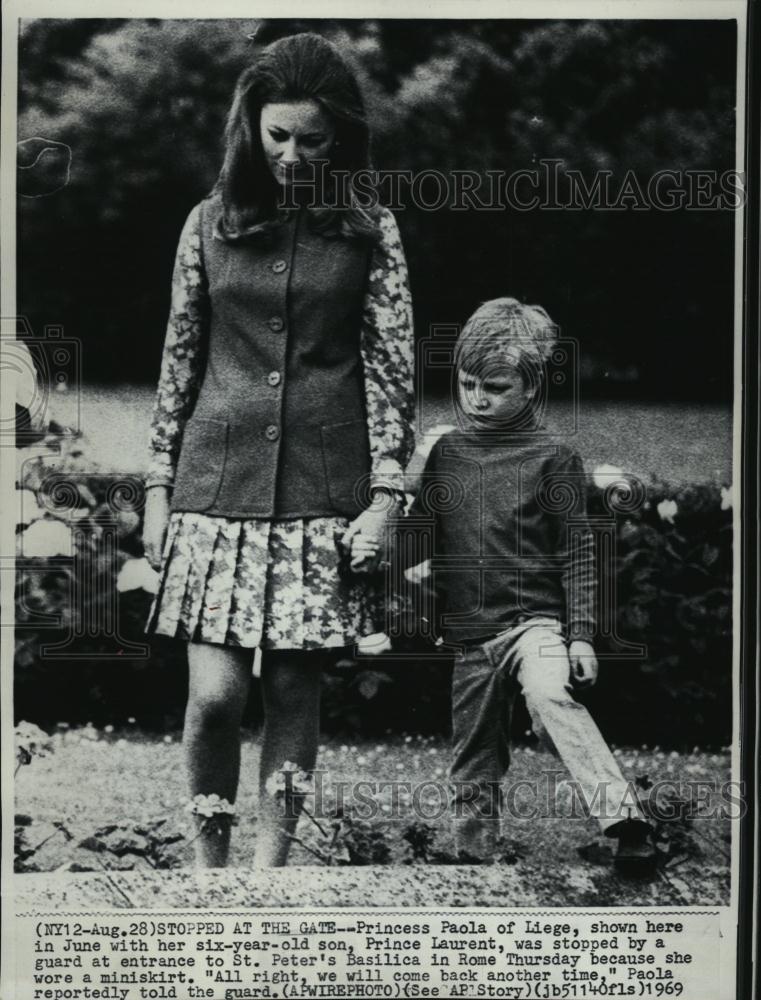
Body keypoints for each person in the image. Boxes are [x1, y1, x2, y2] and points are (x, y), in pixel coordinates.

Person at [143, 32, 414, 868]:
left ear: (344, 140)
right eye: (277, 136)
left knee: (295, 689)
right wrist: (157, 487)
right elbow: (178, 361)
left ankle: (268, 878)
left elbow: (391, 368)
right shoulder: (207, 223)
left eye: (313, 140)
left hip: (319, 491)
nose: (293, 154)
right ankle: (207, 867)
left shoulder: (372, 230)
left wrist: (385, 495)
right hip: (212, 488)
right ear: (250, 129)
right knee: (216, 697)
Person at [352, 297, 655, 869]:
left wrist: (582, 635)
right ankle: (474, 859)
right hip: (469, 636)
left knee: (549, 693)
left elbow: (580, 550)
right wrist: (381, 541)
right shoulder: (445, 453)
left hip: (534, 625)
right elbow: (416, 536)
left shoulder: (554, 457)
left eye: (494, 386)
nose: (476, 397)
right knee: (474, 756)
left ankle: (627, 823)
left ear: (530, 387)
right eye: (467, 383)